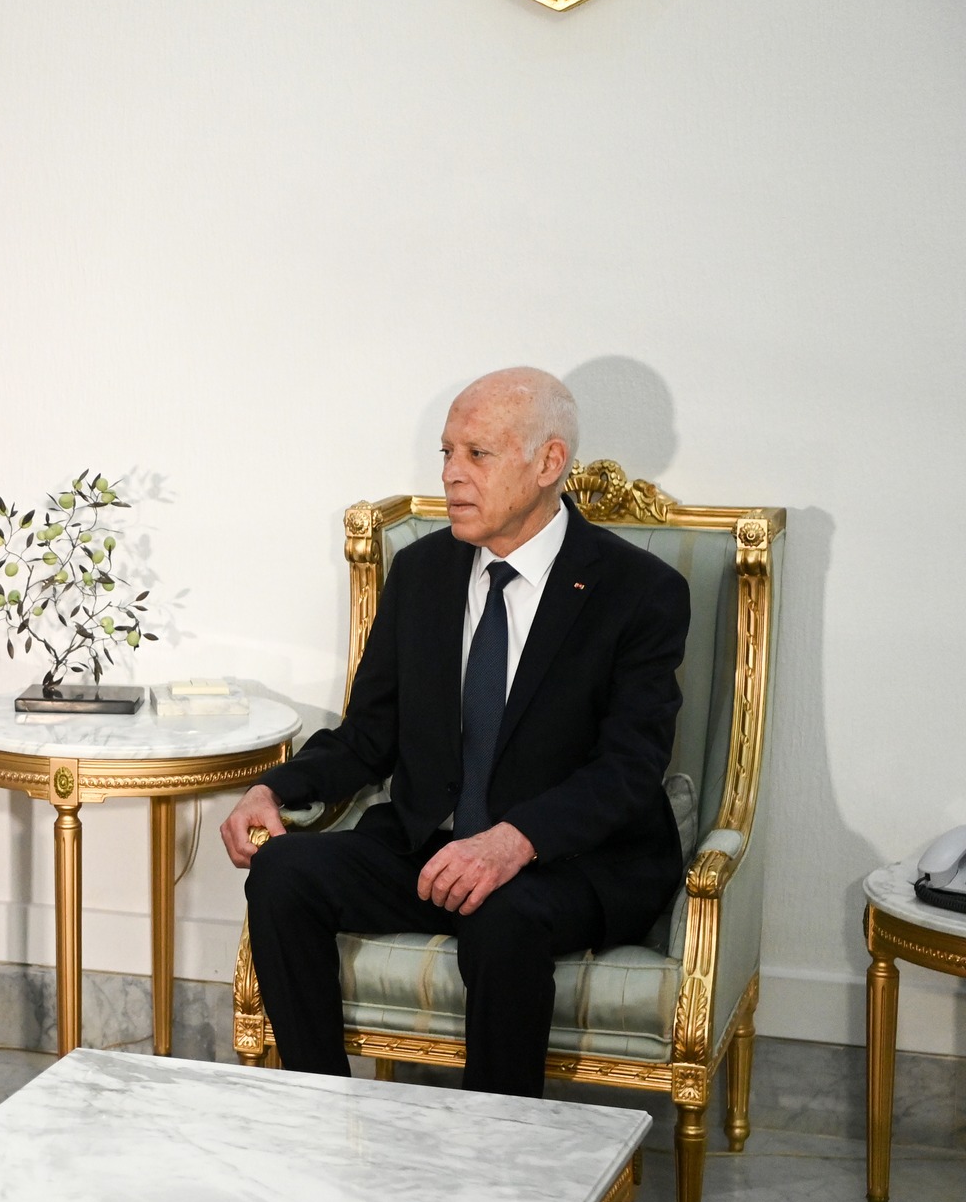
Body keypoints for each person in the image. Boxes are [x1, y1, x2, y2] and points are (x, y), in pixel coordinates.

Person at [225, 368, 689, 1100]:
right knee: (284, 872)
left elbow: (629, 768)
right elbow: (369, 734)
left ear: (548, 462)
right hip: (429, 847)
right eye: (447, 452)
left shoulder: (638, 591)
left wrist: (513, 841)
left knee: (504, 917)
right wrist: (273, 789)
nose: (450, 474)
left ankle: (493, 1145)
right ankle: (320, 1111)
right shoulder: (422, 572)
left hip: (566, 861)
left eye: (478, 453)